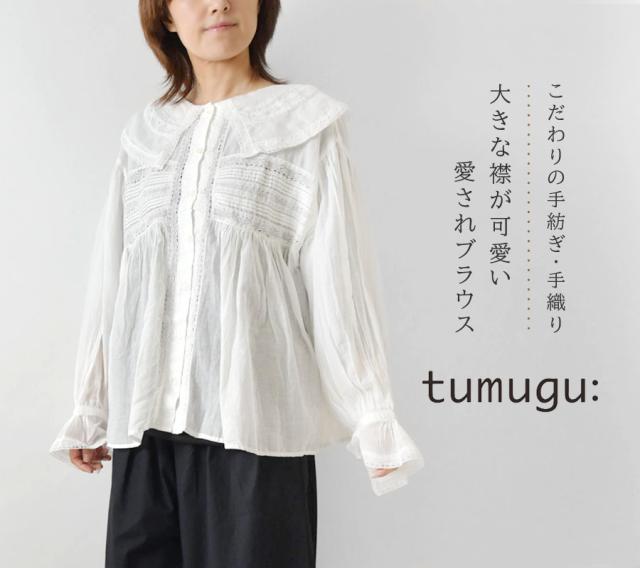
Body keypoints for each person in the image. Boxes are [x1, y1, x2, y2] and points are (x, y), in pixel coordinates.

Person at [49, 0, 424, 566]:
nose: (219, 3)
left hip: (255, 434)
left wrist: (372, 415)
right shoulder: (145, 137)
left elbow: (340, 281)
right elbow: (115, 279)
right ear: (166, 16)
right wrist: (92, 405)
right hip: (144, 433)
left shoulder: (305, 125)